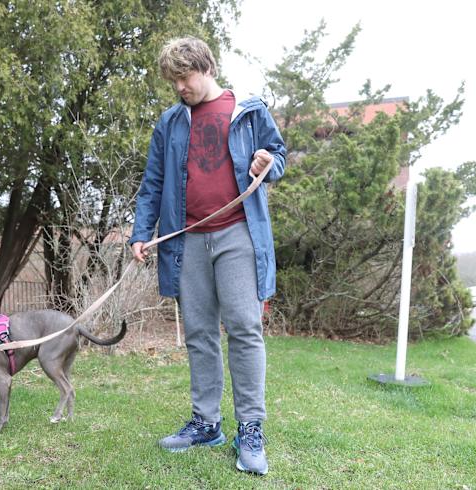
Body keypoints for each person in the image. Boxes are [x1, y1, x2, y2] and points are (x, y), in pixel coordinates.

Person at [129, 36, 286, 475]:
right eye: (173, 81)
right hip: (188, 241)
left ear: (207, 68)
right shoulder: (170, 122)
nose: (180, 87)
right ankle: (206, 423)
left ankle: (250, 429)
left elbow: (279, 156)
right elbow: (153, 181)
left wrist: (267, 163)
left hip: (238, 234)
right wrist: (141, 232)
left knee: (244, 329)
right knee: (199, 333)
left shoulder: (248, 111)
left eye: (185, 77)